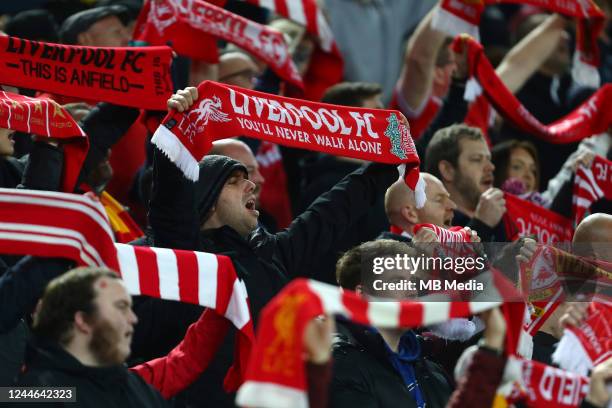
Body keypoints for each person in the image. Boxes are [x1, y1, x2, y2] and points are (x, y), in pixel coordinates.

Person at [133, 87, 403, 407]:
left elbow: (333, 209)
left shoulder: (271, 254)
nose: (252, 184)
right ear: (204, 202)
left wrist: (393, 151)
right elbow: (170, 205)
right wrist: (177, 130)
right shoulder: (183, 256)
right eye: (233, 181)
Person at [17, 267, 168, 408]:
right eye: (121, 306)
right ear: (82, 320)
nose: (133, 318)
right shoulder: (35, 394)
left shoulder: (137, 387)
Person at [331, 240, 454, 408]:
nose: (412, 291)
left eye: (412, 281)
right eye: (397, 281)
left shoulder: (425, 359)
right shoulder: (340, 367)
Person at [425, 124, 508, 242]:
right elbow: (449, 260)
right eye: (477, 159)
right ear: (447, 170)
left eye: (489, 159)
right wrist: (482, 224)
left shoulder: (501, 221)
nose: (491, 167)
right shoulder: (429, 227)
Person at [382, 173, 457, 241]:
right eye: (439, 200)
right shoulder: (387, 254)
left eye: (448, 199)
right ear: (410, 214)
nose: (453, 206)